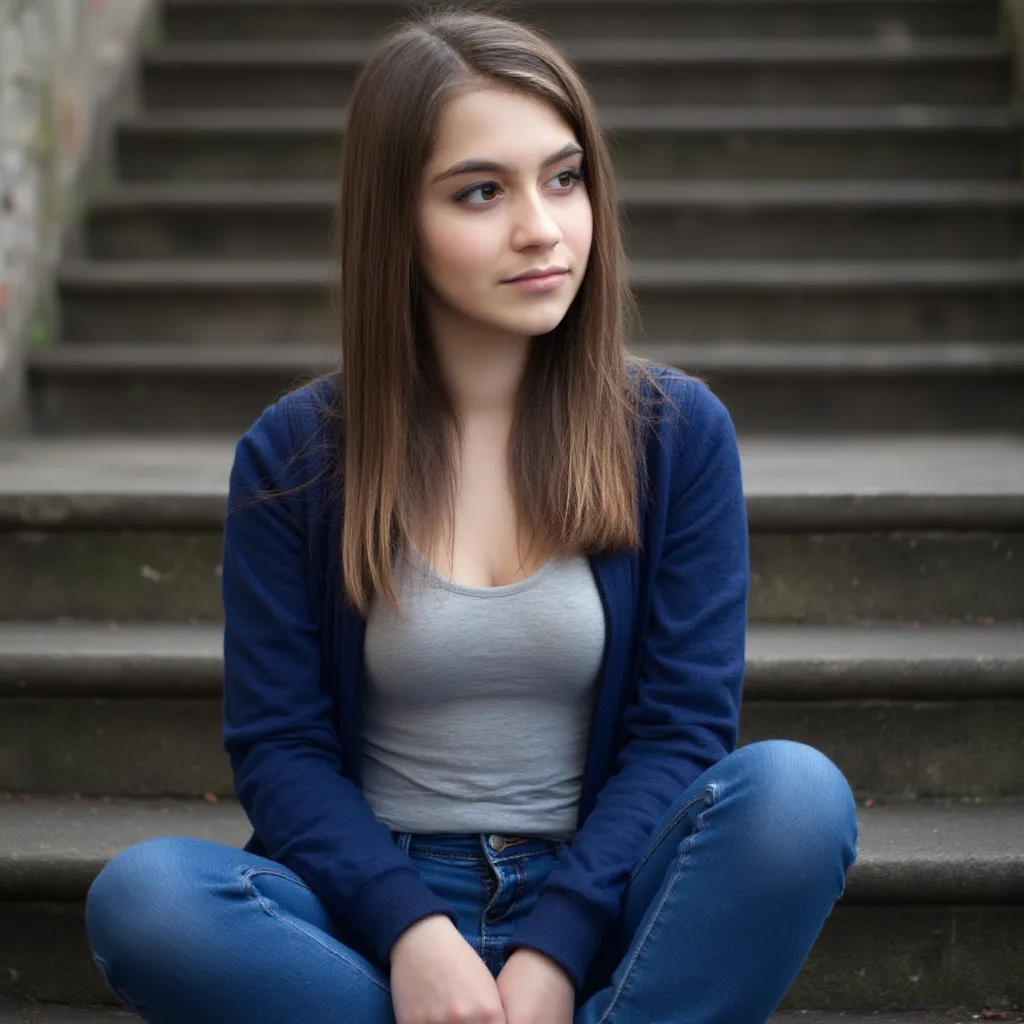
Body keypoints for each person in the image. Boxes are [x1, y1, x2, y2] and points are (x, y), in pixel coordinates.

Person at [84, 8, 859, 1023]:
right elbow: (281, 748)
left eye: (565, 176)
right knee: (146, 900)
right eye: (481, 192)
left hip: (608, 888)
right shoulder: (296, 455)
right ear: (394, 220)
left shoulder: (674, 435)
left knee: (797, 797)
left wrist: (553, 947)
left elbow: (681, 731)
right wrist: (412, 933)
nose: (541, 226)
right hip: (369, 909)